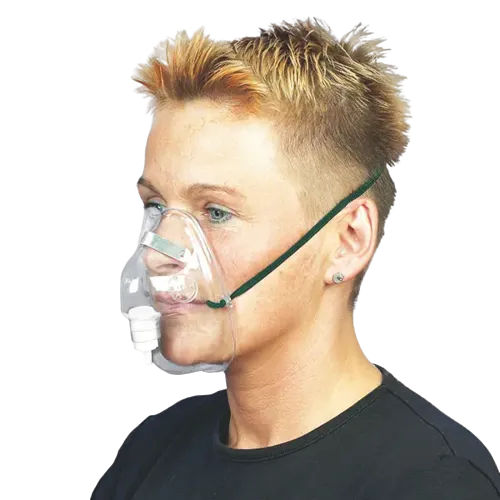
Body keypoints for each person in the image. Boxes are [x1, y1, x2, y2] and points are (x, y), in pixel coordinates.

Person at [93, 23, 499, 499]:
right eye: (157, 205)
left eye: (216, 212)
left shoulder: (428, 482)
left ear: (348, 240)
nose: (158, 252)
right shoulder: (152, 452)